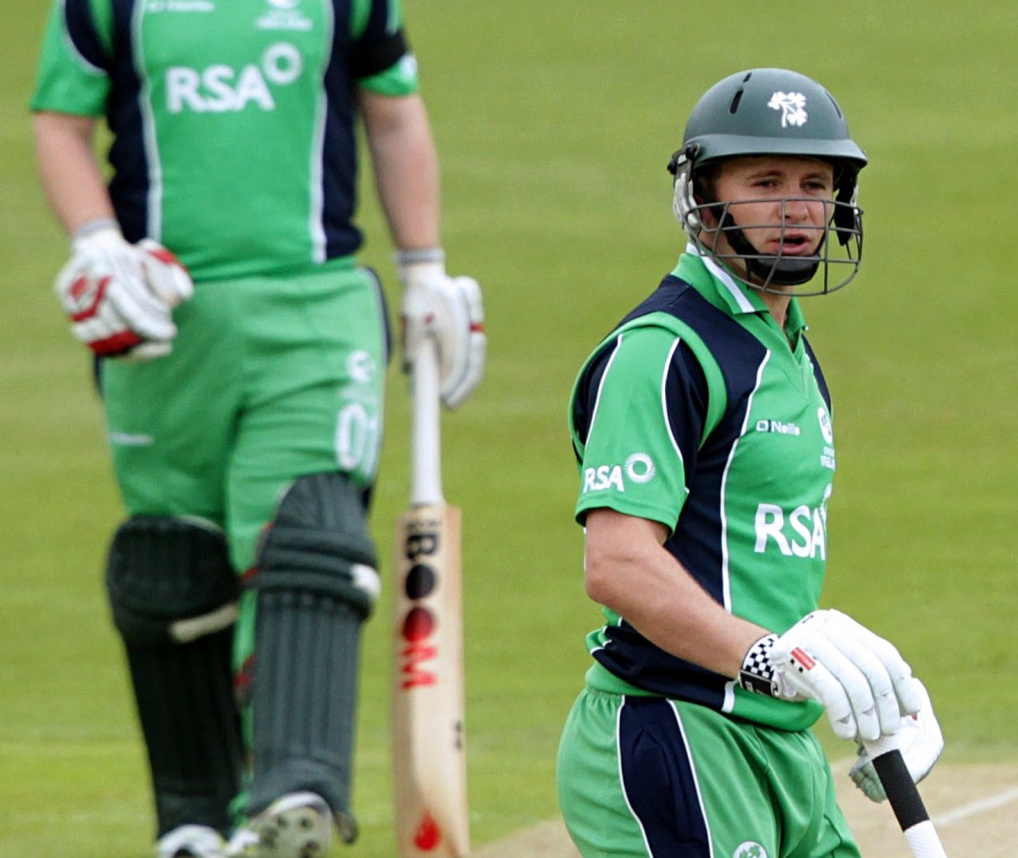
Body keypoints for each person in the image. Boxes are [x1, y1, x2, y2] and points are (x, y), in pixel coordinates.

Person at [30, 2, 484, 857]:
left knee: (309, 532)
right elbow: (60, 123)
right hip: (157, 314)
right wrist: (96, 245)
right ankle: (195, 823)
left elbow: (393, 113)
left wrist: (424, 269)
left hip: (313, 308)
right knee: (172, 566)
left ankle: (294, 792)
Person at [556, 67, 944, 857]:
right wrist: (767, 658)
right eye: (765, 181)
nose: (797, 207)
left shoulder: (788, 350)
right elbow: (618, 563)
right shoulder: (663, 351)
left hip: (778, 738)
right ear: (703, 193)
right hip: (676, 727)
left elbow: (755, 556)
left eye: (815, 182)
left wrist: (868, 686)